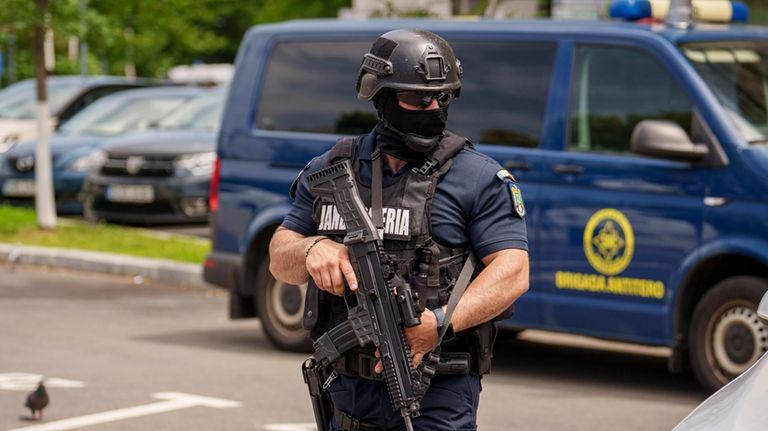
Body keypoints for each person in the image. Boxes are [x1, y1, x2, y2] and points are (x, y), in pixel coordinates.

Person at [269, 29, 529, 431]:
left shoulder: (478, 177)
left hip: (437, 390)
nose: (433, 108)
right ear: (382, 98)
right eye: (418, 98)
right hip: (347, 389)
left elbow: (513, 271)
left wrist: (440, 322)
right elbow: (279, 257)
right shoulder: (332, 169)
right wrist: (312, 249)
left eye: (443, 98)